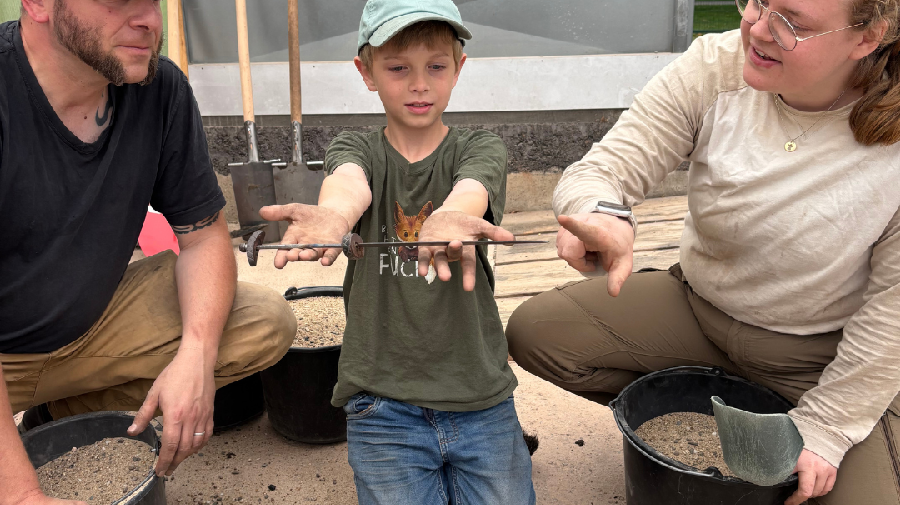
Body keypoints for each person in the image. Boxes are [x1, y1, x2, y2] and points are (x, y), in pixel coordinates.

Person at [505, 0, 900, 504]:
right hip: (698, 309)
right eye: (757, 2)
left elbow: (892, 318)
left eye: (791, 22)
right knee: (536, 332)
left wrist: (829, 427)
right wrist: (603, 214)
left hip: (820, 350)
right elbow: (606, 167)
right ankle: (724, 400)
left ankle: (782, 414)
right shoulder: (716, 65)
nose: (756, 29)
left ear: (868, 37)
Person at [0, 1, 296, 504]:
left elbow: (202, 237)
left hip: (88, 326)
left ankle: (63, 414)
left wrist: (197, 356)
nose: (149, 21)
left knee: (261, 322)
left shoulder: (159, 88)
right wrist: (23, 494)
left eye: (151, 1)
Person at [258, 0, 536, 503]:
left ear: (459, 70)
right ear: (366, 72)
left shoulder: (480, 146)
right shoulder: (357, 148)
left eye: (435, 66)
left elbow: (472, 188)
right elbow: (348, 185)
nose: (419, 84)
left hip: (481, 400)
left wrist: (452, 215)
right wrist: (335, 217)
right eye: (398, 68)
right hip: (382, 407)